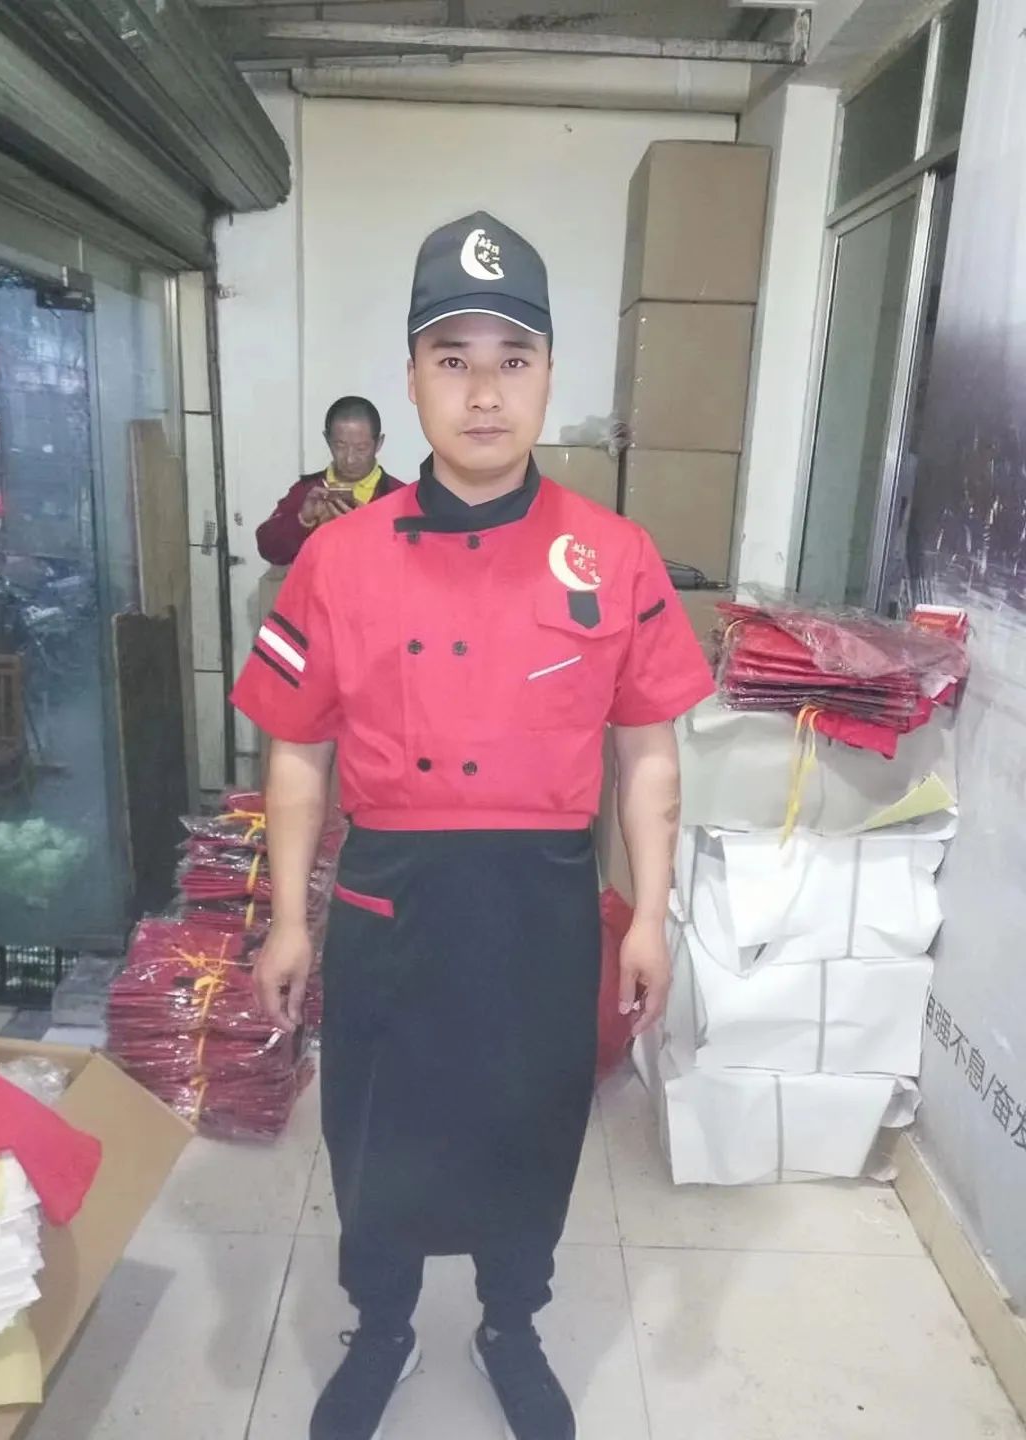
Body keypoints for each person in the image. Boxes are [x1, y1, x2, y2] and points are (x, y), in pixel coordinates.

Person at [232, 212, 715, 1440]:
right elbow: (297, 751)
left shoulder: (614, 554)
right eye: (454, 359)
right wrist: (288, 921)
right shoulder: (336, 559)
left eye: (513, 359)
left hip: (542, 906)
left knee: (530, 1126)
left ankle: (510, 1323)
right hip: (388, 899)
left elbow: (647, 750)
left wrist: (650, 915)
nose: (485, 392)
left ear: (550, 375)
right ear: (411, 377)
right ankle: (383, 1327)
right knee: (375, 1132)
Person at [255, 395, 400, 566]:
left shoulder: (399, 496)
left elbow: (415, 563)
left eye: (361, 448)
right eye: (340, 446)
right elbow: (268, 549)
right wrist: (303, 521)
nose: (350, 459)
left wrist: (369, 531)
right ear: (327, 440)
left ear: (379, 443)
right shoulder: (307, 491)